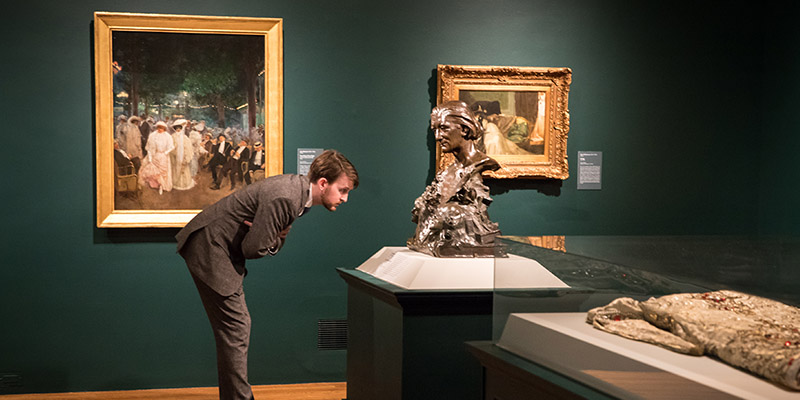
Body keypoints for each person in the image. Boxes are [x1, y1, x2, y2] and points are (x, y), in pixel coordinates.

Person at [175, 149, 359, 400]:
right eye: (343, 190)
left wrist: (268, 234)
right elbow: (253, 248)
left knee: (234, 329)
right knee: (237, 328)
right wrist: (275, 238)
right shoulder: (287, 198)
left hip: (214, 246)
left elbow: (257, 239)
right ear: (324, 183)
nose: (345, 199)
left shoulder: (297, 194)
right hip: (210, 248)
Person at [407, 101, 502, 257]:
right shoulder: (447, 172)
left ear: (464, 129)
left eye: (443, 128)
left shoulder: (480, 164)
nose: (437, 137)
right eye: (435, 130)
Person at [138, 121, 175, 195]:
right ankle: (156, 184)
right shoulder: (153, 135)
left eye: (161, 128)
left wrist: (165, 153)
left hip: (163, 156)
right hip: (155, 155)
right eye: (158, 128)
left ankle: (162, 186)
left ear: (164, 128)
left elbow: (171, 147)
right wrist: (150, 157)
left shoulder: (167, 136)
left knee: (163, 172)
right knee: (154, 171)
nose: (159, 129)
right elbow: (149, 147)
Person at [171, 119, 196, 191]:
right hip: (176, 156)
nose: (178, 130)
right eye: (176, 129)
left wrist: (186, 157)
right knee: (176, 169)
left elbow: (189, 148)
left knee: (184, 169)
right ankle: (176, 183)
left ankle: (185, 183)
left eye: (179, 128)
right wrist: (174, 152)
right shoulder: (173, 136)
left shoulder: (185, 138)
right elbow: (171, 146)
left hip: (183, 156)